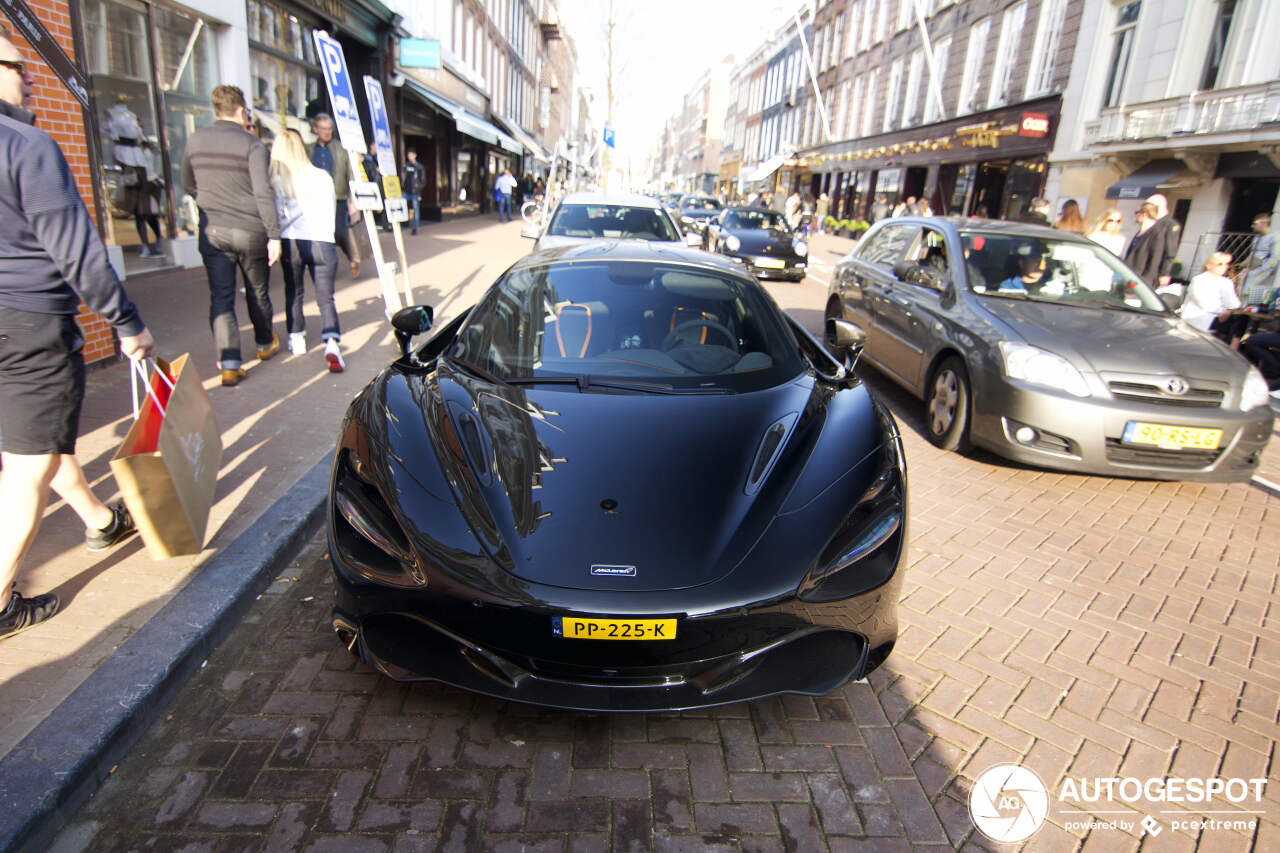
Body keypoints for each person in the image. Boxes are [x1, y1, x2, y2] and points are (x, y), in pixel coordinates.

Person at [0, 29, 156, 639]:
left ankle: (99, 519)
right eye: (18, 65)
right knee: (26, 469)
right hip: (29, 323)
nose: (31, 77)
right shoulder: (24, 144)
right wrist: (126, 323)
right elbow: (77, 250)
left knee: (31, 442)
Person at [181, 84, 281, 387]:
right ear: (241, 111)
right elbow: (263, 192)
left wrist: (209, 202)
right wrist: (273, 234)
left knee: (221, 296)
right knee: (257, 289)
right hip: (250, 229)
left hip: (213, 231)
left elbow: (188, 183)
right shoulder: (252, 145)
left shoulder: (195, 141)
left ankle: (229, 362)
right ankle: (264, 344)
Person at [270, 129, 345, 372]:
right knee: (326, 296)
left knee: (294, 292)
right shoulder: (323, 176)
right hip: (322, 239)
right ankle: (331, 340)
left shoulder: (279, 180)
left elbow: (278, 215)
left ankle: (297, 337)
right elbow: (331, 207)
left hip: (293, 240)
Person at [307, 114, 360, 278]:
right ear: (316, 129)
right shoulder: (309, 149)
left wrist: (353, 200)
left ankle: (354, 258)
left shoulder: (340, 148)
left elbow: (351, 175)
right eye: (323, 128)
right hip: (315, 198)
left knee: (340, 232)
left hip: (338, 196)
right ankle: (327, 266)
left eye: (329, 128)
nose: (327, 132)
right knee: (321, 234)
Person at [1179, 252, 1240, 334]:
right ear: (1209, 265)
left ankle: (1233, 345)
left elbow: (1234, 303)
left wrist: (1228, 310)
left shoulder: (1226, 282)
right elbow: (1205, 304)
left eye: (1226, 264)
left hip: (1218, 317)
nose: (1224, 267)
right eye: (1220, 264)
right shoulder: (1199, 280)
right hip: (1199, 319)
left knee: (1241, 319)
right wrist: (1223, 311)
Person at [1141, 193, 1182, 289]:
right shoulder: (1150, 221)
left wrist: (1165, 273)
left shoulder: (1170, 224)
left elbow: (1170, 250)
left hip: (1153, 270)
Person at [1123, 202, 1163, 287]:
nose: (1136, 215)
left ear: (1144, 215)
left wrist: (1144, 285)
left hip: (1140, 281)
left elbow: (1154, 261)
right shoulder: (1140, 233)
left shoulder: (1156, 234)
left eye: (1137, 213)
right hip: (1129, 277)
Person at [1242, 213, 1277, 305]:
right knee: (1242, 287)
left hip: (1261, 269)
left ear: (1264, 224)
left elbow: (1275, 257)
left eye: (1255, 223)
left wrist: (1262, 269)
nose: (1252, 226)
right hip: (1251, 266)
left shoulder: (1275, 237)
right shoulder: (1257, 237)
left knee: (1249, 288)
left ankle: (1246, 309)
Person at [402, 149, 425, 236]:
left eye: (411, 154)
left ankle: (414, 228)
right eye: (408, 154)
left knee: (416, 210)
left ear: (415, 155)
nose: (409, 156)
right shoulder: (406, 165)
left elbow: (423, 180)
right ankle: (404, 222)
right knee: (402, 206)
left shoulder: (419, 167)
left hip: (415, 191)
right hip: (406, 190)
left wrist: (419, 190)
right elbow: (403, 177)